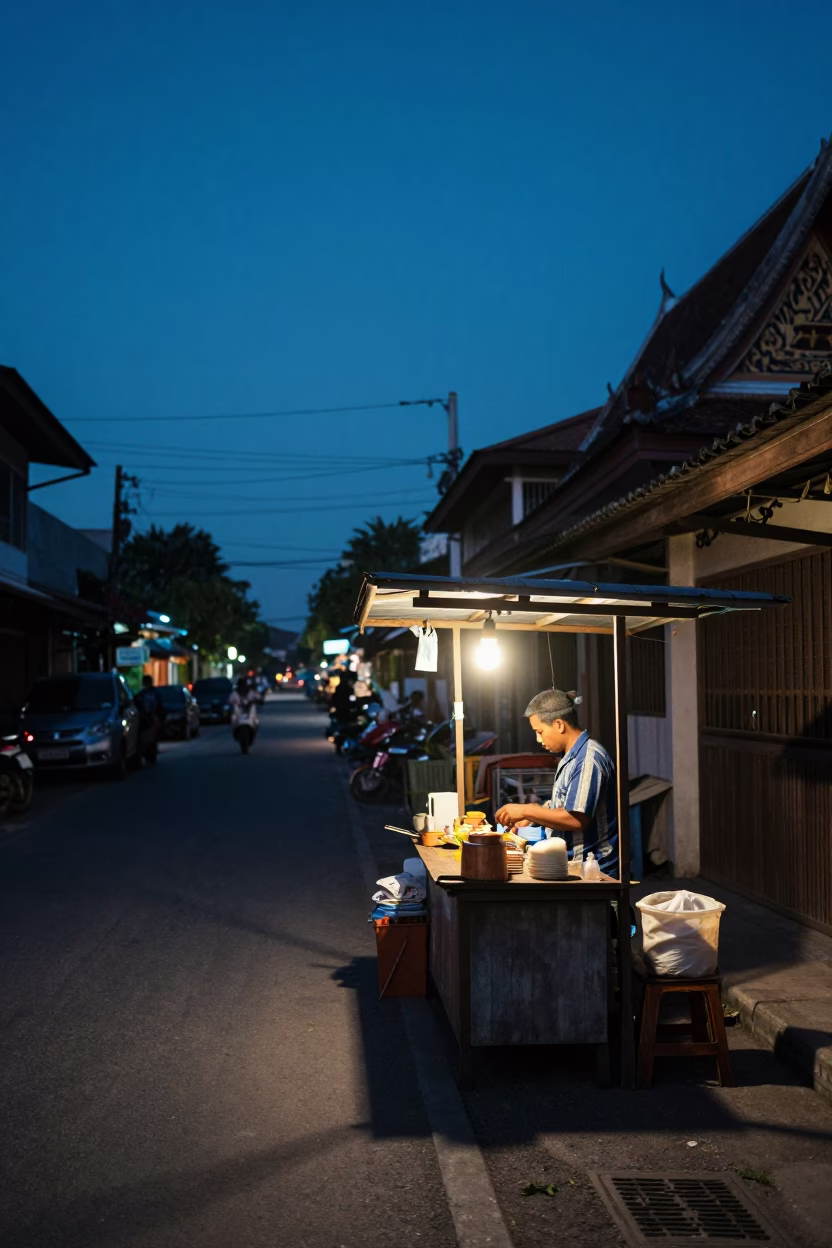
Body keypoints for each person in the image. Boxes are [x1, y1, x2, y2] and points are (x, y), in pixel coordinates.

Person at [495, 688, 618, 875]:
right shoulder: (571, 756)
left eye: (540, 731)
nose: (538, 739)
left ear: (559, 725)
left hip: (593, 873)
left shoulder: (587, 759)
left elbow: (576, 819)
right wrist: (534, 815)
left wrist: (527, 810)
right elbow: (565, 803)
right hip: (571, 867)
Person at [134, 674, 162, 762]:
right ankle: (145, 751)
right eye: (145, 683)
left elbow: (159, 706)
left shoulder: (155, 693)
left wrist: (157, 716)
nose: (146, 685)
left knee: (152, 736)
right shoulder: (142, 694)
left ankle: (152, 751)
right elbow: (136, 703)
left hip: (153, 717)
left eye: (147, 683)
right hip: (144, 718)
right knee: (144, 736)